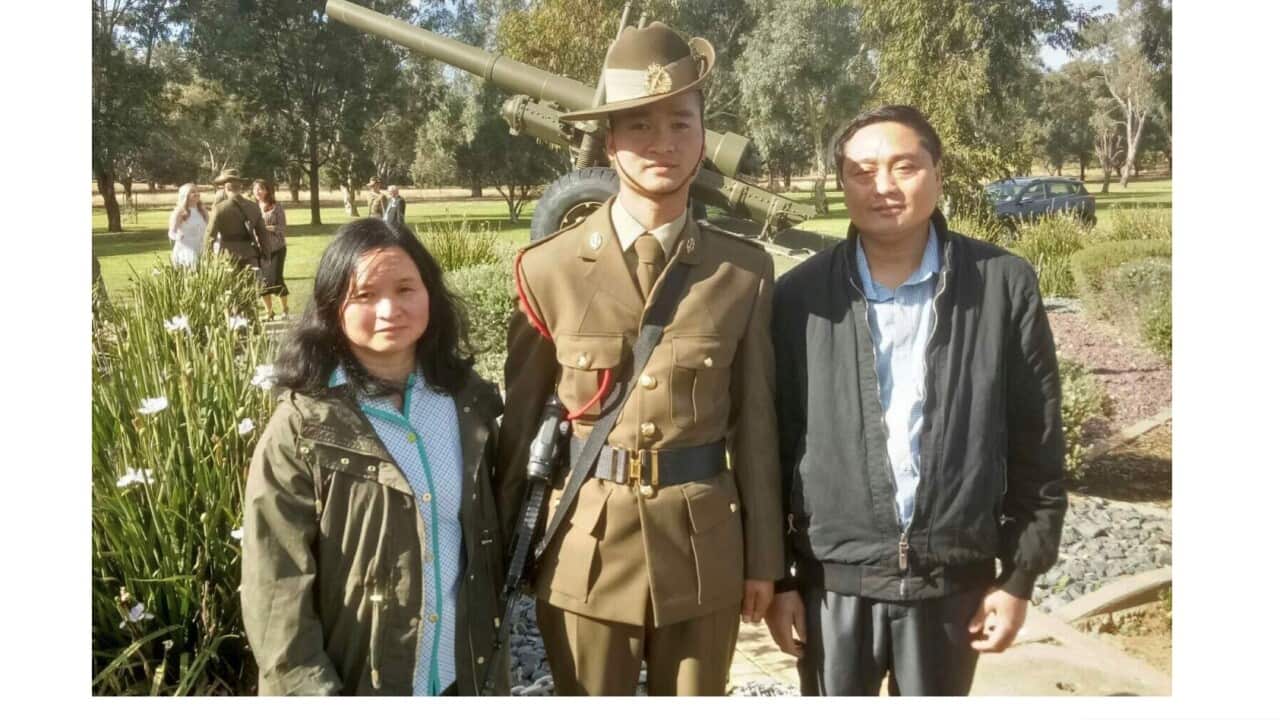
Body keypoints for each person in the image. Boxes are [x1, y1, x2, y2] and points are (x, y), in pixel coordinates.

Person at [497, 22, 782, 696]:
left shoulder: (742, 273)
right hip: (587, 551)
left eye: (681, 123)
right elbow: (518, 431)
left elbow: (756, 430)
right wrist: (500, 559)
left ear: (703, 138)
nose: (663, 142)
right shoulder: (549, 270)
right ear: (610, 141)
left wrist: (765, 560)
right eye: (639, 125)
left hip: (704, 553)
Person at [766, 105, 1067, 696]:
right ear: (841, 183)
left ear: (937, 173)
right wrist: (779, 580)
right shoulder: (801, 297)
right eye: (862, 171)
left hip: (952, 585)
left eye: (904, 167)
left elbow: (1037, 439)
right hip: (834, 584)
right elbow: (775, 444)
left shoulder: (1002, 284)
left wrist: (1019, 578)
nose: (883, 186)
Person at [241, 218, 509, 695]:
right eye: (364, 295)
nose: (390, 310)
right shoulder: (303, 428)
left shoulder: (468, 405)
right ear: (332, 307)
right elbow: (276, 590)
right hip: (355, 684)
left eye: (406, 289)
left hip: (460, 676)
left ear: (430, 293)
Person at [203, 168, 269, 273]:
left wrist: (207, 257)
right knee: (251, 282)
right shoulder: (253, 206)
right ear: (240, 187)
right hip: (250, 255)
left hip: (227, 256)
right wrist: (266, 255)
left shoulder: (219, 208)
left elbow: (210, 235)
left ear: (226, 188)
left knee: (230, 283)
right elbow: (263, 234)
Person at [253, 178, 290, 319]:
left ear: (267, 191)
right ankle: (269, 312)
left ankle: (285, 309)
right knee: (262, 282)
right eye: (255, 189)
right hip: (259, 249)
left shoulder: (276, 206)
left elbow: (283, 227)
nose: (258, 192)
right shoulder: (252, 207)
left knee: (275, 279)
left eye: (261, 189)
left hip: (277, 248)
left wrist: (266, 228)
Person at [167, 182, 207, 269]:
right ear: (185, 195)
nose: (197, 194)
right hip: (186, 249)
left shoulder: (202, 210)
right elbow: (171, 232)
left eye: (197, 191)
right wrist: (177, 236)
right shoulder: (179, 212)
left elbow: (208, 228)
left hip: (201, 248)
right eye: (193, 192)